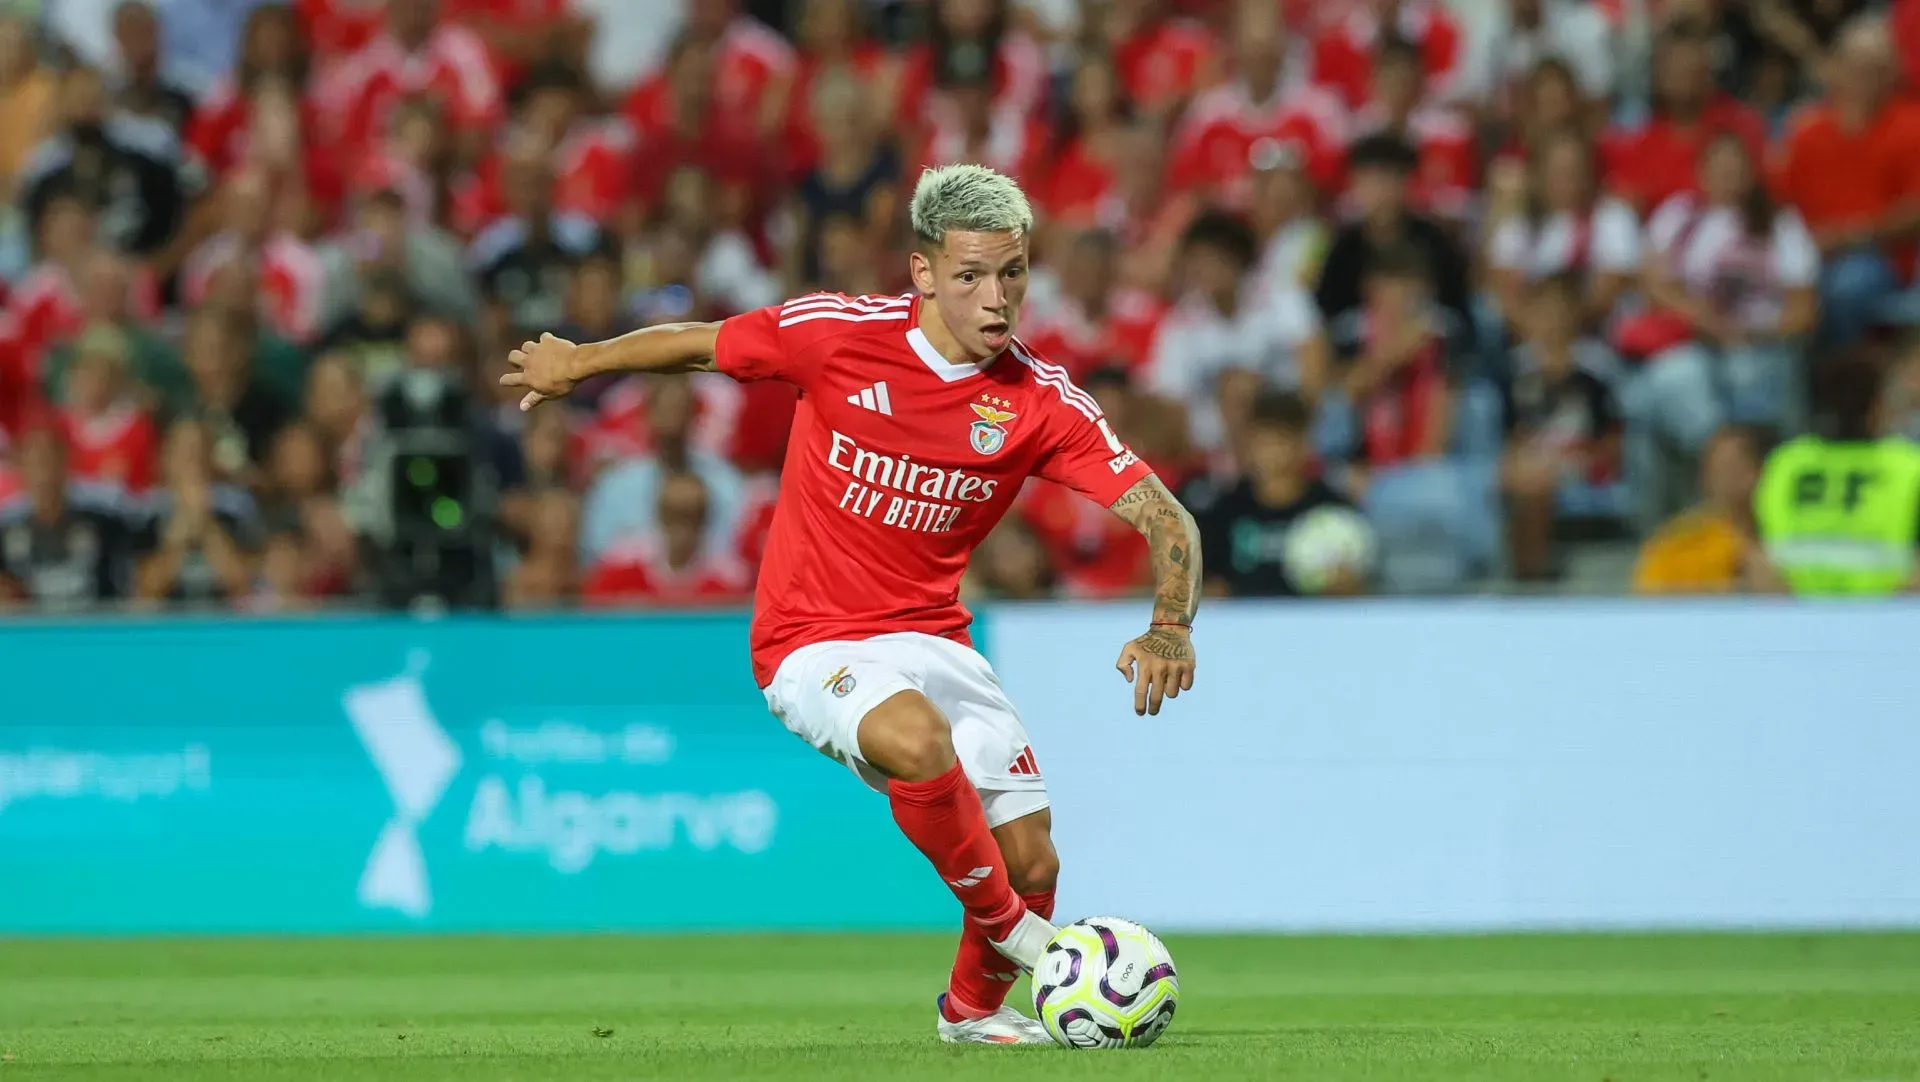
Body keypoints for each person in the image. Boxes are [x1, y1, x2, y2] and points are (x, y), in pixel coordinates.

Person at [502, 163, 1202, 1045]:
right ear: (923, 273)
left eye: (1013, 274)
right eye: (971, 276)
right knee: (917, 741)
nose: (997, 299)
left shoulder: (1038, 402)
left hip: (935, 638)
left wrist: (1170, 625)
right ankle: (1027, 943)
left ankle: (972, 1011)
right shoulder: (836, 335)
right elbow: (702, 344)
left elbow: (1166, 517)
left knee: (1032, 860)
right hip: (809, 638)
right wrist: (580, 361)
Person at [1750, 357, 1920, 595]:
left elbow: (1759, 554)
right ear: (1877, 406)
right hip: (1886, 610)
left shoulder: (1787, 462)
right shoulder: (1907, 465)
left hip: (1792, 609)